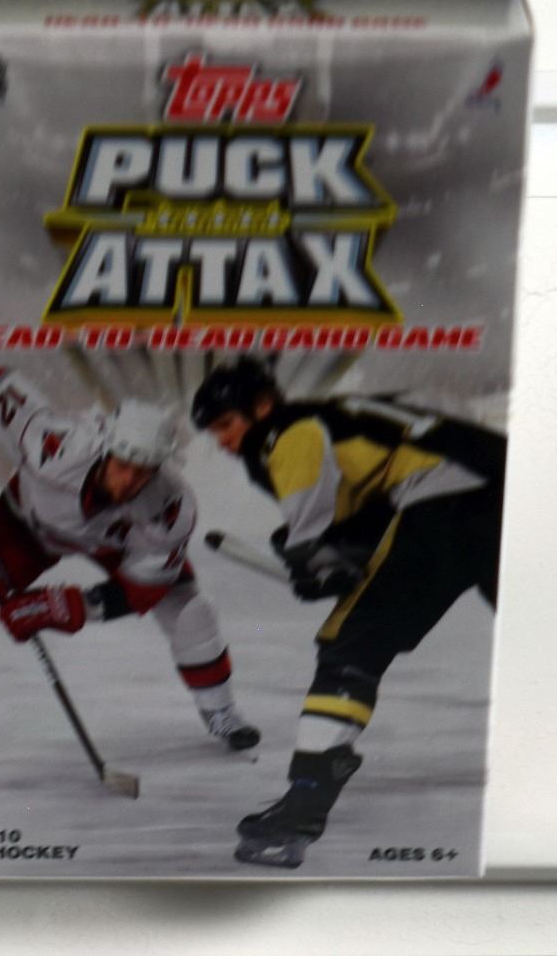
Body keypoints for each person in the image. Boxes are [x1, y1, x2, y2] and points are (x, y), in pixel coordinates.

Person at [191, 357, 504, 868]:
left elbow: (315, 529)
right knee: (542, 639)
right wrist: (328, 557)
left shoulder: (286, 431)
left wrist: (310, 558)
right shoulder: (342, 416)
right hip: (505, 493)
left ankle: (302, 808)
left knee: (349, 644)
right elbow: (375, 503)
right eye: (213, 432)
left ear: (263, 406)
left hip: (449, 504)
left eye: (226, 424)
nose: (223, 441)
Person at [0, 368, 259, 751]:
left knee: (191, 612)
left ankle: (221, 712)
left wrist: (69, 607)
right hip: (24, 525)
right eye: (122, 465)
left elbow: (141, 590)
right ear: (105, 448)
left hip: (112, 546)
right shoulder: (52, 441)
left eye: (143, 472)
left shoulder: (170, 505)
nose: (128, 481)